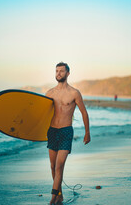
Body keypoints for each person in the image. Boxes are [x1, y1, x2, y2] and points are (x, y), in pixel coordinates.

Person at [45, 62, 91, 205]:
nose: (58, 73)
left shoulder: (74, 93)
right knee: (53, 166)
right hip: (52, 131)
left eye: (61, 71)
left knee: (59, 166)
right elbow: (42, 114)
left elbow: (84, 112)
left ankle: (53, 198)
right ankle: (59, 194)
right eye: (56, 71)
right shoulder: (50, 93)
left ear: (68, 73)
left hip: (66, 131)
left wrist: (87, 132)